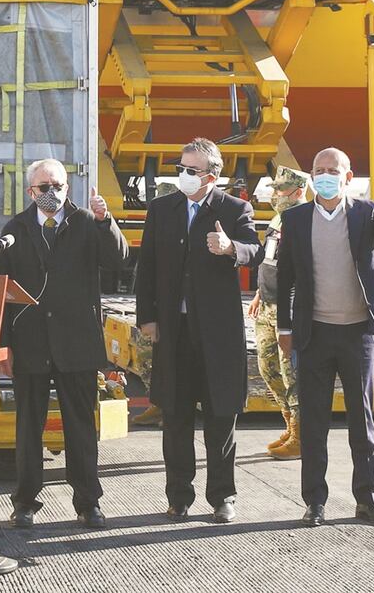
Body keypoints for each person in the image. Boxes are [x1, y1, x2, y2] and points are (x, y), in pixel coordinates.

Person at [277, 147, 374, 528]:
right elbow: (285, 277)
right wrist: (285, 329)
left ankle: (367, 499)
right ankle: (315, 502)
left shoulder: (366, 212)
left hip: (357, 334)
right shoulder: (295, 219)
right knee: (313, 424)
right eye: (318, 169)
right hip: (314, 334)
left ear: (348, 176)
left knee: (362, 422)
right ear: (311, 175)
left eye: (332, 170)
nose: (325, 176)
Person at [0, 158, 128, 529]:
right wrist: (2, 345)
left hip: (77, 344)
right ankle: (24, 502)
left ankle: (88, 502)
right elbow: (1, 290)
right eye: (44, 187)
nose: (51, 193)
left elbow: (117, 259)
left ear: (67, 187)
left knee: (81, 428)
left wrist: (105, 221)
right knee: (28, 428)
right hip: (30, 344)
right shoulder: (15, 229)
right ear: (30, 191)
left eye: (58, 186)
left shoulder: (86, 222)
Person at [135, 138, 260, 524]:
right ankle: (179, 496)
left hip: (218, 333)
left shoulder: (234, 208)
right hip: (174, 329)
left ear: (213, 175)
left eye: (192, 170)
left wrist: (230, 248)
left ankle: (222, 496)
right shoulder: (162, 209)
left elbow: (255, 250)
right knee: (175, 416)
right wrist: (147, 317)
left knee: (221, 417)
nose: (184, 175)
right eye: (181, 168)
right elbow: (147, 265)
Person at [247, 166, 309, 460]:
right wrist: (259, 293)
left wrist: (291, 315)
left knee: (291, 373)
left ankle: (301, 435)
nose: (275, 195)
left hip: (289, 308)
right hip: (267, 304)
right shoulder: (279, 218)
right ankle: (289, 423)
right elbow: (271, 260)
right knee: (268, 367)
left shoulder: (304, 220)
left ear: (298, 192)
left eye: (280, 190)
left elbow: (299, 271)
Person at [131, 180, 179, 428]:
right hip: (155, 306)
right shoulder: (158, 223)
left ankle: (171, 409)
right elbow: (146, 271)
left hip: (172, 309)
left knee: (173, 364)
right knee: (149, 357)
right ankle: (158, 404)